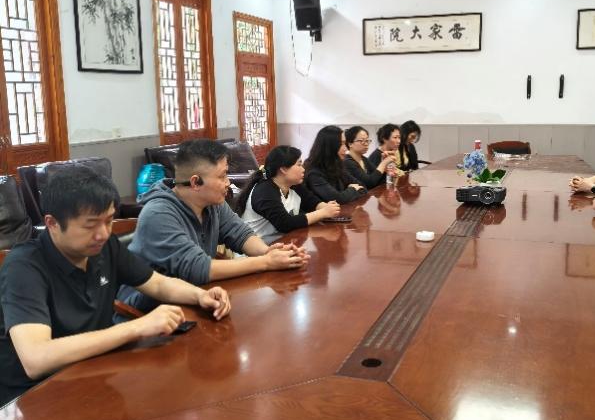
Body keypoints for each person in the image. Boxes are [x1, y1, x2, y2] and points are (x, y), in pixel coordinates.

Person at [0, 168, 231, 406]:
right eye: (90, 225)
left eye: (109, 220)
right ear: (53, 224)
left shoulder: (105, 248)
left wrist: (200, 296)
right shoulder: (24, 267)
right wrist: (137, 327)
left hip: (92, 375)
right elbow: (36, 359)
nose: (103, 234)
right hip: (33, 399)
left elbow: (156, 283)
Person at [122, 139, 308, 312]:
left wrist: (268, 252)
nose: (228, 182)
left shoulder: (213, 203)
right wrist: (266, 262)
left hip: (196, 298)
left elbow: (240, 233)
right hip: (147, 313)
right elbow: (197, 268)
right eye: (222, 176)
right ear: (195, 182)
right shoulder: (158, 214)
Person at [234, 145, 341, 244]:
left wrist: (327, 207)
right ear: (283, 169)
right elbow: (285, 224)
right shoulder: (264, 190)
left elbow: (312, 202)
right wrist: (323, 213)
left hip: (281, 244)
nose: (303, 169)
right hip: (255, 251)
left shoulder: (293, 185)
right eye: (299, 164)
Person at [304, 125, 366, 204]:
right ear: (330, 146)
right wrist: (352, 189)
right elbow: (338, 199)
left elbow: (363, 187)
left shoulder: (337, 164)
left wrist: (347, 193)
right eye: (341, 144)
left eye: (345, 143)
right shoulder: (314, 172)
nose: (346, 149)